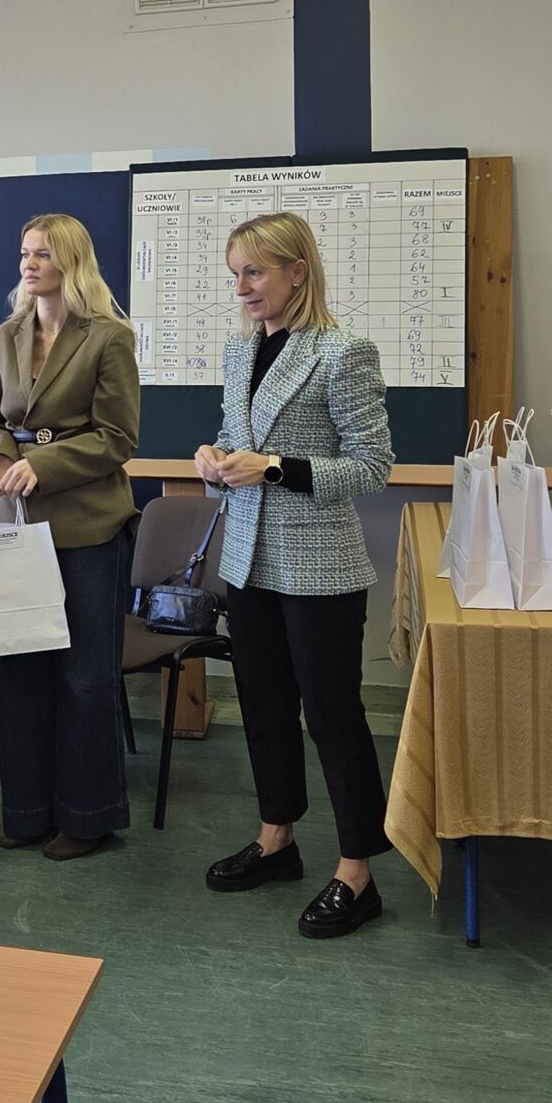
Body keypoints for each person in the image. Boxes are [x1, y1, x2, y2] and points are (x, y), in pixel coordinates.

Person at [195, 211, 396, 939]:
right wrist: (213, 460)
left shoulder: (343, 353)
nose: (242, 288)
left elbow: (372, 467)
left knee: (334, 717)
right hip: (248, 561)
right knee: (264, 707)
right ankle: (276, 838)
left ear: (297, 272)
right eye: (236, 275)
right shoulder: (238, 349)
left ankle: (357, 871)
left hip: (321, 568)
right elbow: (236, 438)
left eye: (254, 272)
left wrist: (276, 467)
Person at [0, 214, 141, 861]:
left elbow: (118, 438)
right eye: (24, 253)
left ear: (71, 262)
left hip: (90, 525)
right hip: (18, 524)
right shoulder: (2, 336)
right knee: (19, 670)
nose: (29, 264)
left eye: (43, 254)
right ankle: (27, 812)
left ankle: (88, 818)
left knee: (84, 678)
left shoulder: (109, 337)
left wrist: (40, 464)